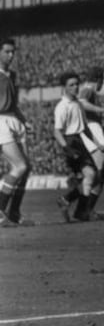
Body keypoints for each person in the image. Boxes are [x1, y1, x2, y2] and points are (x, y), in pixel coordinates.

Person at [57, 67, 104, 220]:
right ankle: (80, 208)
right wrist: (103, 110)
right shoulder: (88, 90)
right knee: (99, 173)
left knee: (100, 176)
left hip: (92, 132)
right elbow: (82, 103)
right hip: (92, 132)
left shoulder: (88, 91)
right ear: (99, 79)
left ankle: (80, 207)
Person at [0, 38, 34, 227]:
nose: (11, 55)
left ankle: (14, 212)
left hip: (15, 120)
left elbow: (14, 104)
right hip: (0, 121)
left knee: (26, 168)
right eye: (7, 51)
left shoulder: (12, 75)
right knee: (19, 166)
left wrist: (25, 121)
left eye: (13, 52)